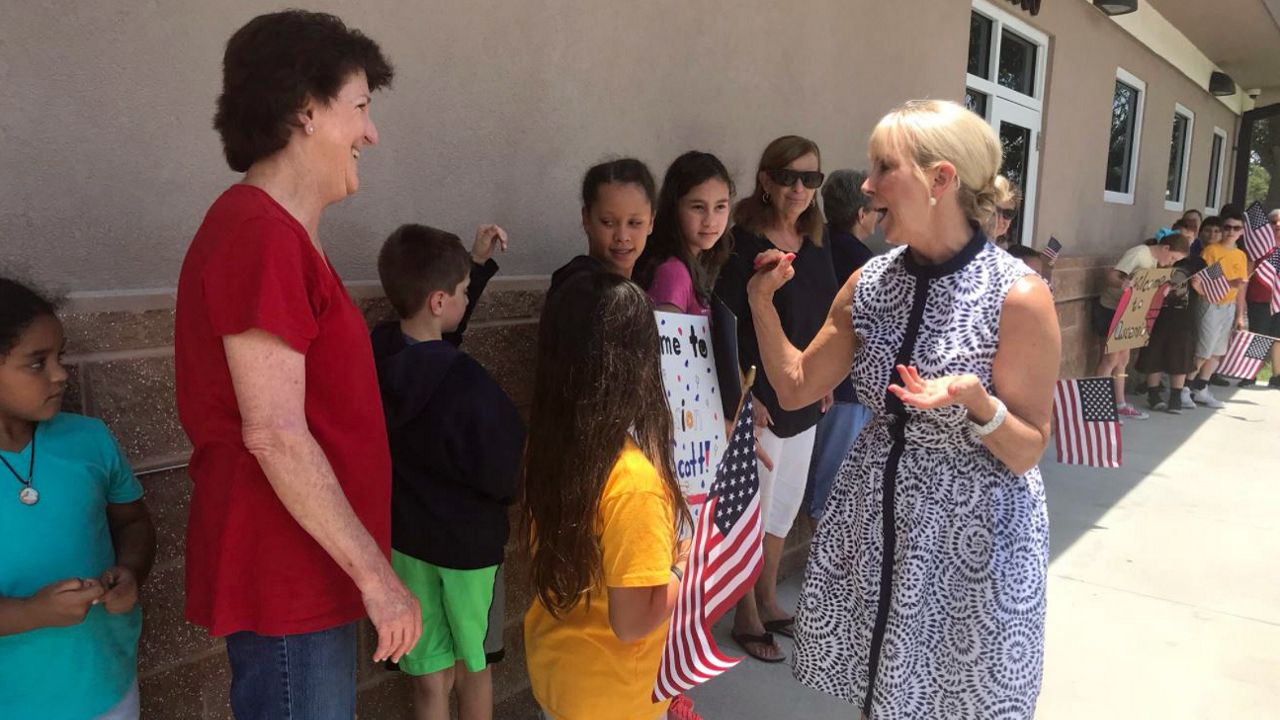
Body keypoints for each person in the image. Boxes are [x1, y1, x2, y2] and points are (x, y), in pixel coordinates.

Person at [746, 100, 1060, 718]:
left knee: (956, 699)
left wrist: (977, 402)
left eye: (882, 167)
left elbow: (1028, 448)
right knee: (879, 697)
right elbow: (794, 386)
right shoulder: (870, 282)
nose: (865, 185)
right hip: (875, 521)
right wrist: (761, 303)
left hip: (970, 539)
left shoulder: (1019, 295)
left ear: (940, 179)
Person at [174, 12, 420, 718]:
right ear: (306, 110)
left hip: (309, 567)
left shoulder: (279, 234)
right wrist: (378, 577)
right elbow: (274, 432)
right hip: (285, 573)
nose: (371, 133)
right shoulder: (258, 235)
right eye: (362, 108)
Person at [370, 225, 524, 720]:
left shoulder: (378, 354)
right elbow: (503, 472)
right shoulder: (468, 385)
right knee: (474, 667)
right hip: (468, 554)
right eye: (461, 292)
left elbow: (435, 339)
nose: (464, 298)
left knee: (430, 675)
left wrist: (473, 267)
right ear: (439, 300)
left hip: (407, 548)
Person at [522, 272, 691, 720]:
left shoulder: (547, 443)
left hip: (557, 672)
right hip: (616, 698)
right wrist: (684, 567)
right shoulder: (634, 482)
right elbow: (633, 621)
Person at [0, 278, 155, 720]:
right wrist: (31, 613)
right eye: (36, 363)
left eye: (60, 356)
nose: (60, 373)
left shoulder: (89, 440)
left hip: (105, 685)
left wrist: (130, 572)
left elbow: (133, 522)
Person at [714, 135, 838, 663]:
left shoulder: (816, 239)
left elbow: (824, 315)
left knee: (781, 508)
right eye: (788, 176)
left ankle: (767, 595)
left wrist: (825, 376)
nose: (798, 188)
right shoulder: (740, 242)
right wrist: (743, 392)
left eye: (810, 179)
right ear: (765, 179)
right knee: (750, 507)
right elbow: (725, 319)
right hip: (759, 397)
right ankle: (744, 610)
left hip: (805, 394)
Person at [803, 169, 876, 523]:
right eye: (875, 210)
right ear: (861, 214)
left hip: (821, 381)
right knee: (832, 489)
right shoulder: (865, 264)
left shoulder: (816, 246)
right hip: (846, 388)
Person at [1091, 231, 1189, 419]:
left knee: (1123, 360)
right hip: (1113, 309)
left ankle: (1119, 403)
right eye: (1172, 257)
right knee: (1110, 360)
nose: (1170, 262)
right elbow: (1112, 276)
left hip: (1131, 312)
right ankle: (1098, 407)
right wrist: (1124, 283)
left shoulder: (1155, 261)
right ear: (1166, 248)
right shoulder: (1139, 253)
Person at [635, 151, 735, 315]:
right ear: (674, 208)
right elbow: (667, 338)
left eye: (720, 207)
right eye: (698, 207)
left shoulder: (694, 264)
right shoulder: (673, 272)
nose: (710, 221)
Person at [548, 158, 657, 298]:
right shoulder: (580, 290)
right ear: (586, 218)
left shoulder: (648, 280)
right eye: (608, 222)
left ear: (651, 222)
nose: (622, 237)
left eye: (634, 223)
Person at [1188, 206, 1250, 407]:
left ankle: (1201, 388)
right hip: (1210, 303)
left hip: (1229, 305)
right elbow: (1200, 280)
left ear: (1242, 231)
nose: (1231, 231)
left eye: (1236, 228)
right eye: (1228, 227)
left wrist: (1240, 315)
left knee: (1217, 351)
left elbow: (1240, 287)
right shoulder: (1211, 251)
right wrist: (1206, 294)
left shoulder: (1240, 255)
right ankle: (1184, 388)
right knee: (1204, 349)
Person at [1136, 248, 1205, 413]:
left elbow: (1212, 296)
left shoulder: (1198, 279)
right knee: (1154, 356)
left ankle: (1176, 398)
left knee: (1180, 360)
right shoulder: (1164, 273)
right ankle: (1153, 395)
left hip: (1185, 323)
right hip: (1159, 319)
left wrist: (1198, 288)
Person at [1237, 208, 1280, 389]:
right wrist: (1242, 302)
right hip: (1259, 298)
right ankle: (1251, 373)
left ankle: (1277, 375)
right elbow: (1247, 275)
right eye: (1273, 222)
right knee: (1259, 335)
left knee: (1278, 338)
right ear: (1266, 225)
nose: (1277, 225)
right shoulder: (1259, 246)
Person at [988, 175, 1020, 249]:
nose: (999, 219)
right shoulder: (966, 242)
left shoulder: (1002, 247)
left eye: (1008, 213)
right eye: (994, 211)